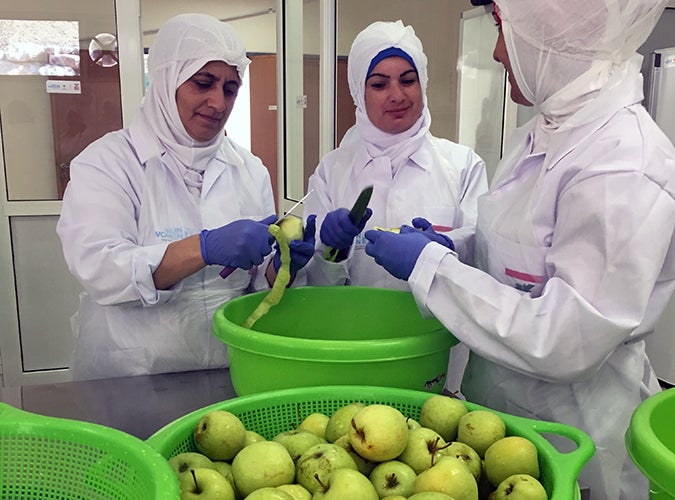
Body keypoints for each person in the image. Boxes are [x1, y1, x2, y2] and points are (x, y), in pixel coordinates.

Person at [364, 1, 675, 499]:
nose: (497, 51)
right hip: (500, 417)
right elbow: (522, 256)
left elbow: (567, 339)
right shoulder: (545, 130)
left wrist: (434, 268)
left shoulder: (624, 164)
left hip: (573, 430)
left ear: (551, 37)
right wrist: (456, 247)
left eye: (504, 31)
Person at [57, 13, 314, 381]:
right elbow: (100, 269)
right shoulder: (108, 163)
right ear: (166, 81)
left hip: (229, 368)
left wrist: (283, 268)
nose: (218, 103)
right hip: (132, 375)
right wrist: (202, 248)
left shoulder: (249, 168)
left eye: (230, 88)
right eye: (203, 83)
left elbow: (255, 284)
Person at [303, 19, 487, 292]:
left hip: (434, 331)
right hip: (356, 330)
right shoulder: (332, 171)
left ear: (422, 84)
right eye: (379, 85)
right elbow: (314, 285)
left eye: (408, 81)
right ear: (358, 93)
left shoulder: (463, 166)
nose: (398, 96)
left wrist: (446, 247)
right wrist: (332, 251)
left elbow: (483, 263)